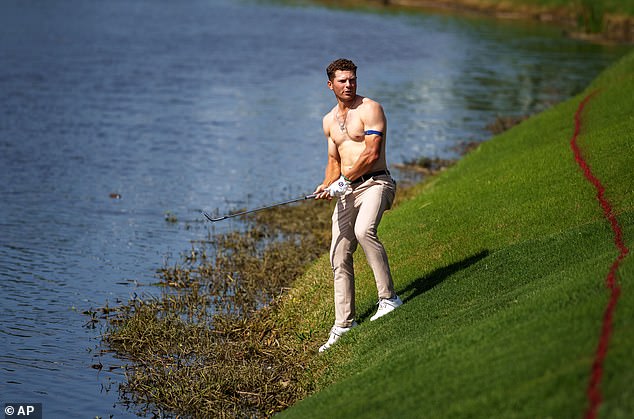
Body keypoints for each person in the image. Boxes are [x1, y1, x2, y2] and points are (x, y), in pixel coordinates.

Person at [314, 58, 402, 352]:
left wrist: (344, 179)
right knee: (338, 253)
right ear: (331, 85)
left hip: (376, 182)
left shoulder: (370, 109)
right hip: (347, 190)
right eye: (342, 80)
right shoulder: (328, 121)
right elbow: (334, 161)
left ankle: (389, 299)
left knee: (364, 230)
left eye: (352, 79)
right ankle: (343, 325)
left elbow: (371, 153)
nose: (349, 84)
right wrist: (327, 184)